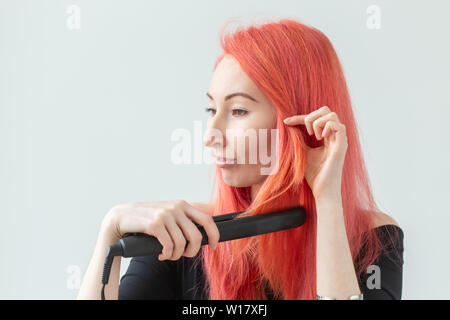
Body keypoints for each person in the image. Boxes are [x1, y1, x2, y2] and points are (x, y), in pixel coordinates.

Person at [77, 18, 404, 300]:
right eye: (211, 109)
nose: (209, 135)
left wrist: (328, 201)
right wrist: (110, 229)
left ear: (298, 120)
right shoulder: (186, 237)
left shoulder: (374, 239)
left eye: (237, 111)